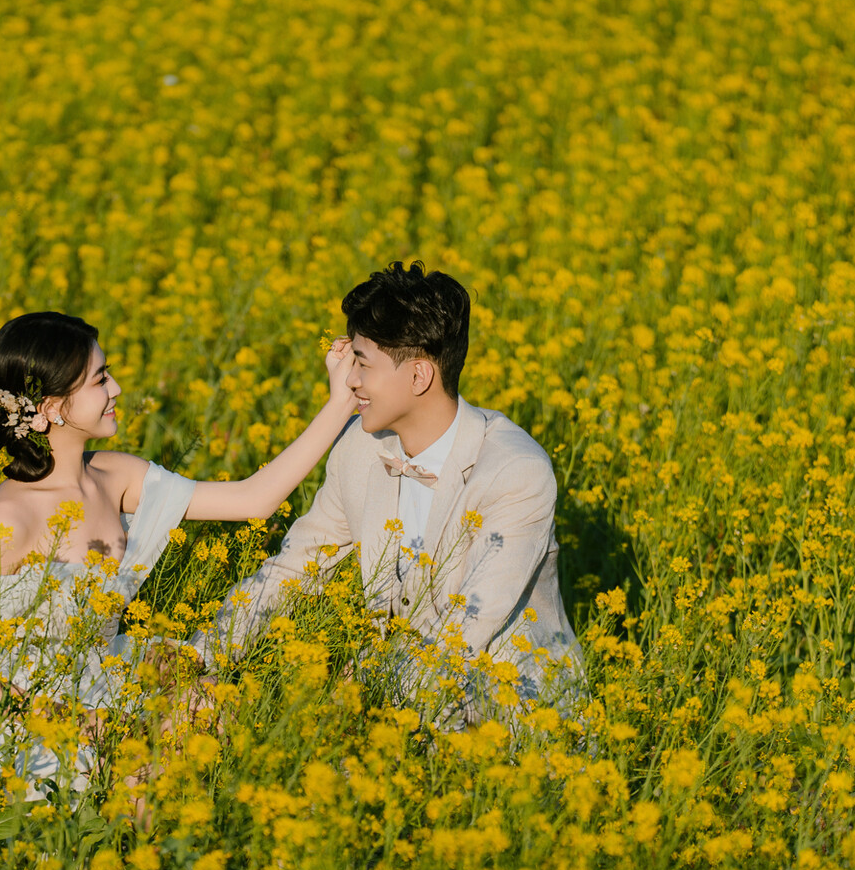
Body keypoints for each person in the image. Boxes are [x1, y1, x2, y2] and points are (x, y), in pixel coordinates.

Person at [0, 310, 359, 801]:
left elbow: (254, 499)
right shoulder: (13, 515)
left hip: (91, 677)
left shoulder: (114, 475)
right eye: (100, 379)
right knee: (141, 765)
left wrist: (340, 402)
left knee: (211, 700)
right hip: (14, 717)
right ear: (52, 407)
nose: (117, 388)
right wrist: (76, 723)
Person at [208, 261, 583, 719]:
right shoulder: (360, 448)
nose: (350, 380)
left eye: (362, 364)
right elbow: (295, 567)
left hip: (507, 709)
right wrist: (205, 651)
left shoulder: (515, 472)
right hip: (396, 694)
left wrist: (358, 698)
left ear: (419, 376)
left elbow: (465, 633)